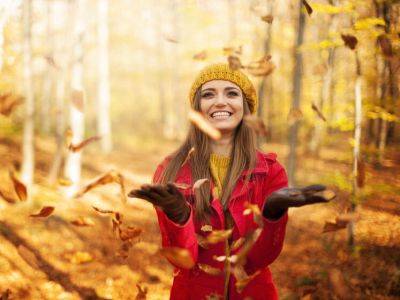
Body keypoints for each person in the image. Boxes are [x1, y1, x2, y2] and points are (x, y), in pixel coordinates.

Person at [128, 63, 330, 300]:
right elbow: (183, 261)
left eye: (231, 93)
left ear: (245, 108)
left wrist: (273, 214)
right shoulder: (170, 171)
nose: (221, 102)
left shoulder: (271, 171)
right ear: (198, 109)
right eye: (209, 94)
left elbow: (258, 261)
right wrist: (179, 217)